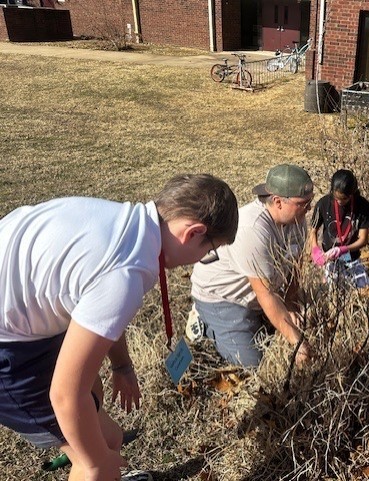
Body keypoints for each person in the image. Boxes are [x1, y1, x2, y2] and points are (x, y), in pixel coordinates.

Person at [0, 174, 238, 481]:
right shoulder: (126, 273)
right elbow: (66, 394)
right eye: (209, 252)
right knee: (94, 463)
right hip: (10, 352)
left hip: (20, 317)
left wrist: (122, 365)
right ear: (193, 233)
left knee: (109, 439)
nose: (200, 260)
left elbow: (98, 309)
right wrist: (97, 462)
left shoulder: (124, 222)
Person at [190, 164, 314, 367]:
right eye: (303, 203)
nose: (309, 209)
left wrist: (291, 303)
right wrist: (297, 342)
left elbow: (295, 268)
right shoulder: (252, 228)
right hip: (225, 298)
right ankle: (205, 323)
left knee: (306, 321)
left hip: (260, 293)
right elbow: (266, 294)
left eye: (310, 202)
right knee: (254, 363)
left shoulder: (297, 220)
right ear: (278, 202)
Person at [310, 169, 369, 288]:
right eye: (336, 198)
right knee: (332, 287)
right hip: (329, 257)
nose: (339, 202)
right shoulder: (323, 204)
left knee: (365, 289)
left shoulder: (363, 206)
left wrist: (343, 249)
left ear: (352, 194)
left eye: (344, 199)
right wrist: (315, 249)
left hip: (351, 256)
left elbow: (363, 239)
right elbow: (313, 230)